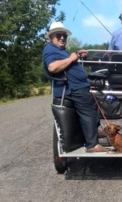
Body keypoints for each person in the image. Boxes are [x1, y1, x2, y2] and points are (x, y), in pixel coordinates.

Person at [42, 22, 107, 153]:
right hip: (73, 89)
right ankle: (92, 145)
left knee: (94, 105)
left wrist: (77, 55)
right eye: (59, 35)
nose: (62, 38)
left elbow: (67, 61)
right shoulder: (50, 49)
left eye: (64, 36)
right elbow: (53, 67)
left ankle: (92, 132)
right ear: (51, 37)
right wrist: (72, 58)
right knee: (88, 111)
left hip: (78, 87)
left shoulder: (60, 50)